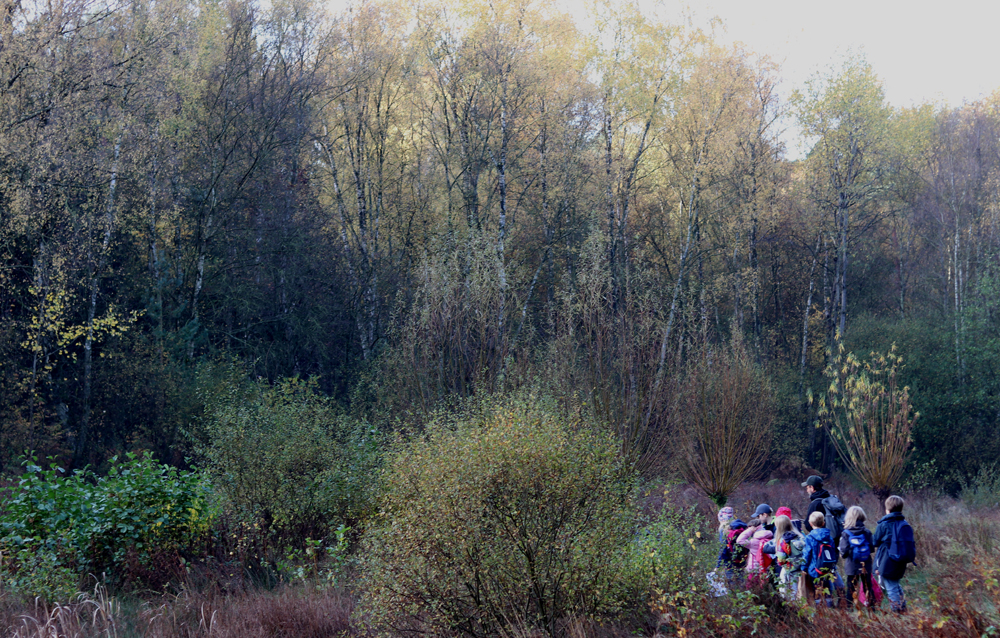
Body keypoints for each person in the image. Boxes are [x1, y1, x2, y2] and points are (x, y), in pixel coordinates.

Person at [873, 495, 915, 613]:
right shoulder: (904, 523)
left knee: (890, 586)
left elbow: (875, 541)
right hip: (900, 558)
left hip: (887, 559)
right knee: (895, 583)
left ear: (887, 509)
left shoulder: (884, 524)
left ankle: (897, 612)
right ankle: (903, 609)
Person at [839, 505, 875, 608]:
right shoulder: (867, 532)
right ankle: (872, 608)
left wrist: (843, 553)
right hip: (866, 564)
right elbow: (871, 549)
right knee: (868, 586)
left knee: (851, 587)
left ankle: (849, 608)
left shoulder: (845, 533)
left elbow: (844, 552)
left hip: (852, 565)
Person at [802, 511, 840, 607]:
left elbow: (807, 554)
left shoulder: (809, 537)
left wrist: (803, 568)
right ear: (823, 523)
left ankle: (819, 609)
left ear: (810, 524)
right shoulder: (829, 537)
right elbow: (833, 553)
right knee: (828, 588)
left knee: (816, 589)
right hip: (828, 567)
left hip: (815, 569)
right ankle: (830, 606)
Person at [773, 514, 806, 600]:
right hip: (802, 569)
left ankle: (792, 610)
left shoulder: (782, 540)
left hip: (789, 570)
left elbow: (781, 560)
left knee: (790, 594)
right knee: (802, 592)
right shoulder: (800, 536)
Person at [737, 516, 774, 584]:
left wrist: (749, 531)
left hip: (754, 570)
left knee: (752, 590)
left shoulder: (753, 542)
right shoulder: (770, 537)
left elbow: (739, 540)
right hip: (766, 568)